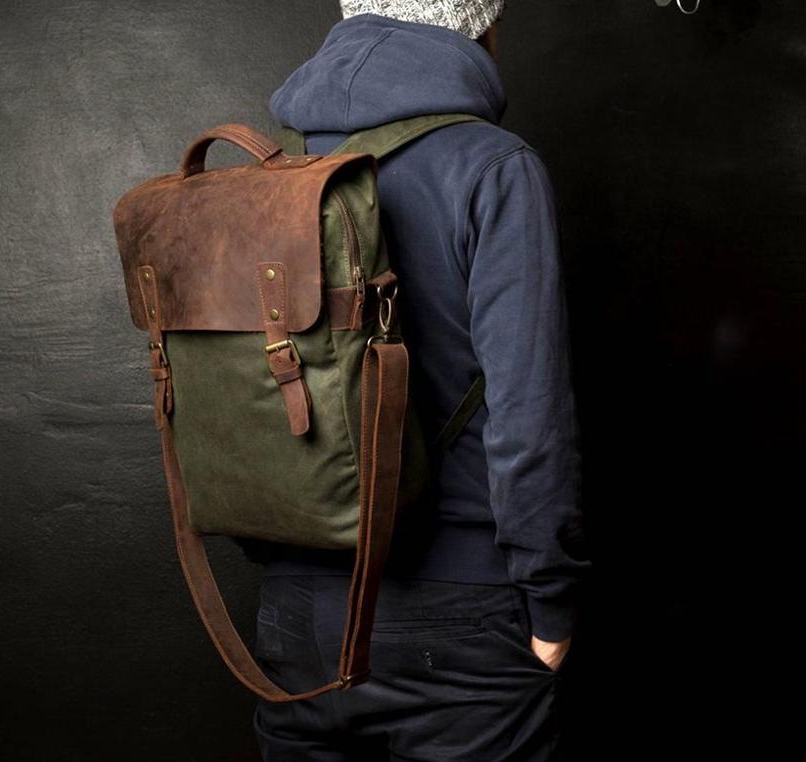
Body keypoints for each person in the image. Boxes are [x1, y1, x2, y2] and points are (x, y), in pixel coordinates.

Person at [251, 2, 592, 759]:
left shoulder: (273, 170)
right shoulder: (493, 166)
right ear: (479, 24)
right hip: (460, 615)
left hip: (296, 611)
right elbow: (529, 419)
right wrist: (551, 608)